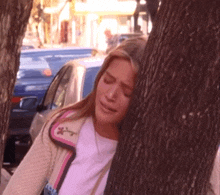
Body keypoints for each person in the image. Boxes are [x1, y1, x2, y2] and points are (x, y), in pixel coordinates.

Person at [3, 36, 148, 195]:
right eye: (107, 80)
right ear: (99, 78)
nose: (111, 95)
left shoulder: (142, 152)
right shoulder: (62, 126)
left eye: (127, 92)